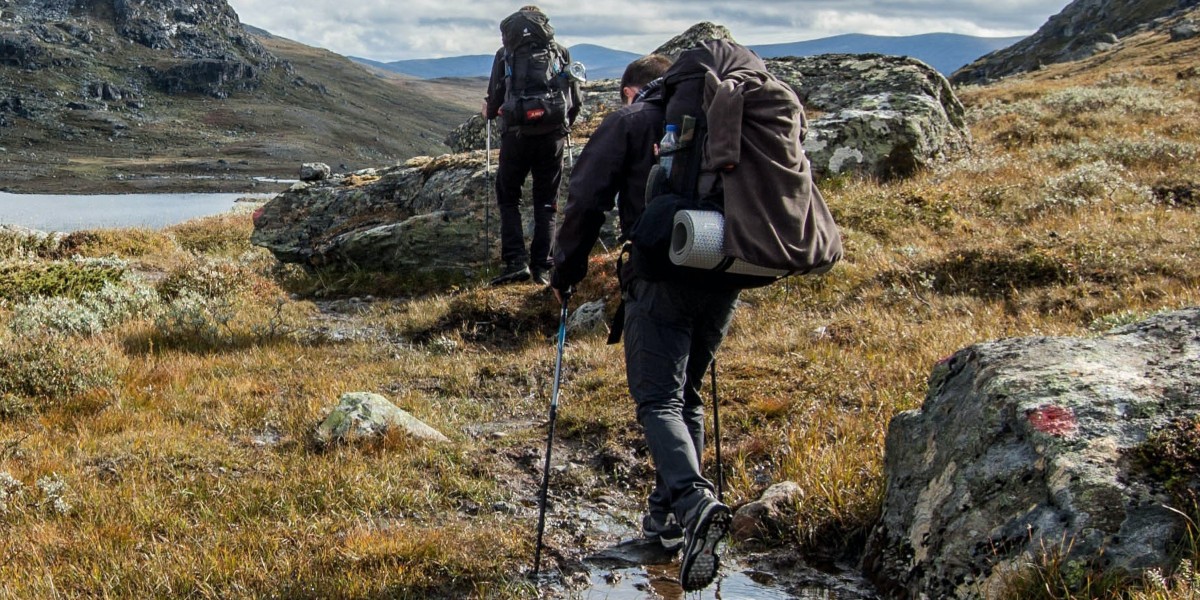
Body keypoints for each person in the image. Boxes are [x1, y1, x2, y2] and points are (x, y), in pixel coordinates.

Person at [550, 53, 736, 592]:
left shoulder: (631, 120)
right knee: (686, 396)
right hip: (724, 266)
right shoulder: (724, 113)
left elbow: (585, 199)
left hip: (661, 273)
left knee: (659, 399)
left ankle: (695, 504)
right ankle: (669, 526)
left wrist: (566, 272)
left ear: (634, 90)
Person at [482, 5, 580, 286]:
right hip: (552, 137)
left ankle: (515, 262)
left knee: (509, 195)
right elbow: (575, 99)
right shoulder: (560, 52)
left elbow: (494, 100)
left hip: (516, 136)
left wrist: (489, 112)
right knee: (547, 202)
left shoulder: (505, 54)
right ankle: (543, 269)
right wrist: (564, 127)